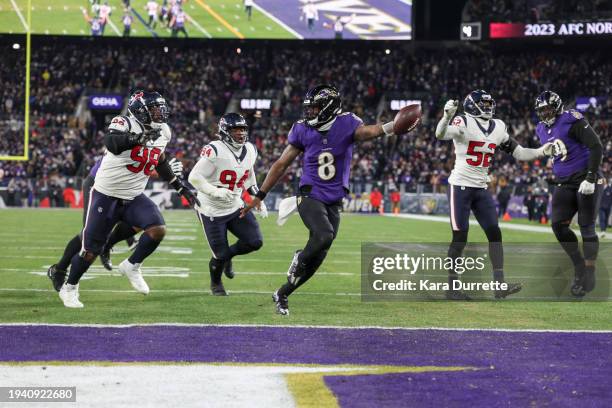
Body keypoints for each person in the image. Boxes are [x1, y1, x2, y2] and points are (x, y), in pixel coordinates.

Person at [241, 84, 416, 315]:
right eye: (309, 108)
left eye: (315, 108)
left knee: (319, 256)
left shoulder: (347, 123)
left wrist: (393, 126)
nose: (310, 112)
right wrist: (259, 195)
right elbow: (281, 164)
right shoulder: (302, 129)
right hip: (309, 193)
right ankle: (298, 258)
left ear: (329, 107)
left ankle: (282, 293)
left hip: (334, 198)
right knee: (323, 235)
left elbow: (368, 132)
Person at [55, 91, 198, 308]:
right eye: (154, 109)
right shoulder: (123, 122)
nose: (160, 113)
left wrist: (179, 186)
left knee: (157, 229)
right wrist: (140, 138)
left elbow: (158, 160)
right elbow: (112, 143)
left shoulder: (163, 131)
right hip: (106, 193)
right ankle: (70, 287)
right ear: (140, 111)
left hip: (133, 195)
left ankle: (132, 265)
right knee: (90, 249)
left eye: (161, 108)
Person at [436, 90, 552, 300]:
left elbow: (520, 153)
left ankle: (499, 285)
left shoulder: (498, 127)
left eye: (489, 103)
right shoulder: (464, 120)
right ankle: (452, 288)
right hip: (460, 186)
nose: (488, 107)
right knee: (460, 237)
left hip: (481, 187)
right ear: (472, 105)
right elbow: (440, 134)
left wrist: (542, 151)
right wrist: (446, 117)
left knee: (495, 233)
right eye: (484, 103)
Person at [47, 154, 184, 291]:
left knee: (144, 222)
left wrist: (165, 170)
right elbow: (129, 164)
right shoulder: (128, 136)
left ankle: (108, 245)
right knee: (89, 235)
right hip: (100, 184)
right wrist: (161, 171)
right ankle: (59, 270)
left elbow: (152, 162)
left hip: (124, 187)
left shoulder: (157, 139)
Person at [534, 91, 603, 297]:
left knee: (587, 228)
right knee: (558, 226)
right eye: (541, 110)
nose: (545, 113)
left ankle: (589, 272)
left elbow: (596, 146)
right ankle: (579, 266)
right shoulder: (540, 128)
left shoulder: (570, 118)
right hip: (563, 183)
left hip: (584, 179)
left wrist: (591, 178)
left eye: (548, 108)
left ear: (557, 106)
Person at [188, 113, 266, 296]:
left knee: (255, 241)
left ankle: (228, 257)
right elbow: (194, 177)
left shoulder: (250, 149)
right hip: (211, 209)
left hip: (234, 206)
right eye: (235, 129)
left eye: (242, 129)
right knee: (219, 255)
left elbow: (249, 177)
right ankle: (216, 283)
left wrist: (257, 198)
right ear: (224, 131)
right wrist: (215, 191)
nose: (240, 133)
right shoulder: (215, 149)